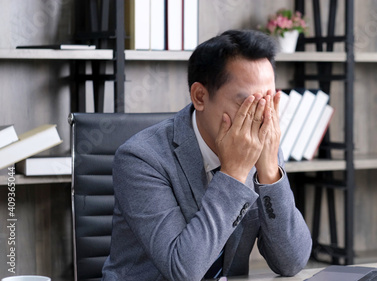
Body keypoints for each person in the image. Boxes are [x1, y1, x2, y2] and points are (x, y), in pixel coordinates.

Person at [101, 29, 312, 281]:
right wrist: (234, 173)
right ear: (200, 96)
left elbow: (292, 262)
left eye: (267, 101)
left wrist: (269, 173)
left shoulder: (264, 145)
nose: (260, 116)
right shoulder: (140, 159)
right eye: (247, 103)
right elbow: (184, 271)